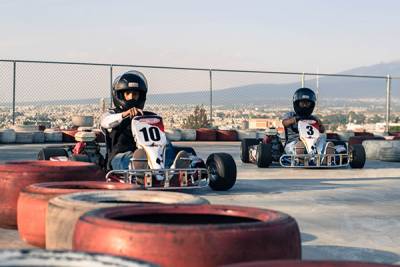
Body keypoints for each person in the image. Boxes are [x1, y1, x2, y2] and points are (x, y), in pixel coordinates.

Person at [281, 87, 334, 159]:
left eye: (307, 103)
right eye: (302, 103)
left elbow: (322, 130)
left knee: (322, 137)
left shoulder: (313, 118)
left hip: (312, 143)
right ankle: (300, 156)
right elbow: (284, 123)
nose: (305, 105)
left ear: (311, 104)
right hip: (293, 142)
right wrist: (294, 120)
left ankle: (323, 153)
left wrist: (320, 124)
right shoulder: (290, 115)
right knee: (299, 146)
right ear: (297, 103)